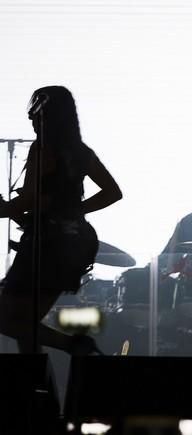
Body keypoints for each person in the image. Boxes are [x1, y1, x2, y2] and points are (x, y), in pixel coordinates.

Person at [0, 85, 122, 354]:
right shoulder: (80, 151)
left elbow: (30, 200)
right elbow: (113, 193)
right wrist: (74, 211)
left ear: (47, 115)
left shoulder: (42, 149)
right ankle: (37, 382)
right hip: (74, 244)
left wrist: (5, 209)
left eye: (35, 113)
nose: (31, 119)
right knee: (25, 323)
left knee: (9, 319)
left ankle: (72, 347)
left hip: (47, 247)